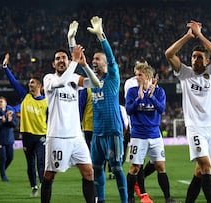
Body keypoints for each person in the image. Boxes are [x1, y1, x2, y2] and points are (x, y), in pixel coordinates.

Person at [165, 20, 211, 203]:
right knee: (206, 168)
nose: (195, 60)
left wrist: (201, 35)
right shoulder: (185, 73)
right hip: (195, 127)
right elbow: (169, 53)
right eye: (193, 56)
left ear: (207, 62)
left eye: (199, 57)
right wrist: (189, 36)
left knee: (199, 172)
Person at [41, 44, 100, 203]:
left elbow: (95, 84)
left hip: (76, 137)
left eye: (64, 58)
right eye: (58, 59)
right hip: (57, 136)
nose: (61, 61)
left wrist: (84, 65)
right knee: (49, 174)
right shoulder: (49, 79)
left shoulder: (74, 78)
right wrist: (74, 61)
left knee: (88, 172)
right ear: (53, 64)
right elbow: (61, 82)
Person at [85, 16, 128, 203]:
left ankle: (125, 200)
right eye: (93, 59)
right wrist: (72, 44)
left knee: (117, 168)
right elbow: (79, 64)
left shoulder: (112, 78)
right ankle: (100, 200)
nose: (94, 61)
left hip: (113, 131)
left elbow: (111, 59)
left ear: (104, 63)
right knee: (97, 168)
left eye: (97, 58)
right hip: (97, 133)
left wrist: (101, 37)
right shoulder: (91, 81)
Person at [125, 62, 178, 203]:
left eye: (139, 75)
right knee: (134, 168)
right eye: (136, 75)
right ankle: (129, 198)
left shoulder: (160, 92)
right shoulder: (132, 91)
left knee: (160, 166)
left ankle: (168, 198)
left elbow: (161, 109)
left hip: (155, 136)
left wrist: (151, 96)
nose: (136, 78)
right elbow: (129, 110)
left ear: (147, 76)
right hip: (138, 136)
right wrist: (139, 99)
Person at [2, 53, 47, 197]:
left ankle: (43, 183)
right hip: (27, 136)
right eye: (29, 82)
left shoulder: (47, 101)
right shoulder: (25, 96)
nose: (29, 84)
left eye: (32, 82)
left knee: (41, 161)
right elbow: (13, 82)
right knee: (30, 163)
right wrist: (5, 67)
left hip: (41, 135)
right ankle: (34, 186)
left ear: (39, 85)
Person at [123, 60, 157, 200]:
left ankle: (137, 183)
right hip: (136, 127)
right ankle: (141, 192)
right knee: (138, 163)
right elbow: (133, 105)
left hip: (151, 126)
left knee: (156, 161)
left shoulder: (151, 81)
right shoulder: (131, 84)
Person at [0, 96, 18, 182]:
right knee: (2, 158)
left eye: (1, 102)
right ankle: (3, 176)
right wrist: (1, 122)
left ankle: (2, 170)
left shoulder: (10, 112)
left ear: (5, 103)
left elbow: (15, 124)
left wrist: (10, 120)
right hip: (0, 139)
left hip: (9, 139)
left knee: (10, 157)